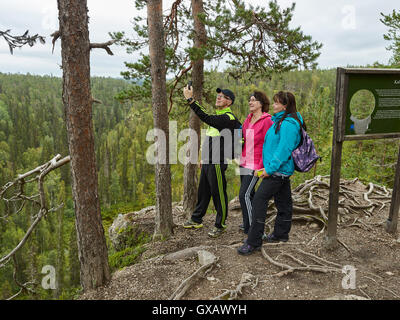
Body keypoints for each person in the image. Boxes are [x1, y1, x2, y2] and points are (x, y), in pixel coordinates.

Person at [237, 91, 304, 255]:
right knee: (284, 202)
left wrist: (269, 169)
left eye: (276, 103)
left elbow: (284, 150)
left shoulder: (289, 124)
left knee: (259, 200)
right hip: (280, 171)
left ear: (285, 105)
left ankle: (253, 242)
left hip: (277, 171)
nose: (273, 105)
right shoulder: (281, 120)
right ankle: (281, 234)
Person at [182, 85, 241, 238]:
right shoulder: (219, 117)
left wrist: (190, 99)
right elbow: (210, 140)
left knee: (218, 193)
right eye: (218, 95)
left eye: (223, 96)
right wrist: (203, 157)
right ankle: (196, 219)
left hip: (217, 161)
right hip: (209, 161)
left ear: (229, 102)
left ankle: (220, 225)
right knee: (204, 191)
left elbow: (205, 116)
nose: (219, 97)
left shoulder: (227, 117)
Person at [238, 91, 273, 235]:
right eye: (249, 99)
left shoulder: (267, 121)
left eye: (253, 100)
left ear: (261, 103)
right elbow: (243, 138)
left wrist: (261, 165)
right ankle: (248, 223)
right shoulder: (248, 119)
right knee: (249, 195)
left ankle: (255, 231)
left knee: (243, 195)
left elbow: (268, 144)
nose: (250, 102)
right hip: (244, 161)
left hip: (256, 164)